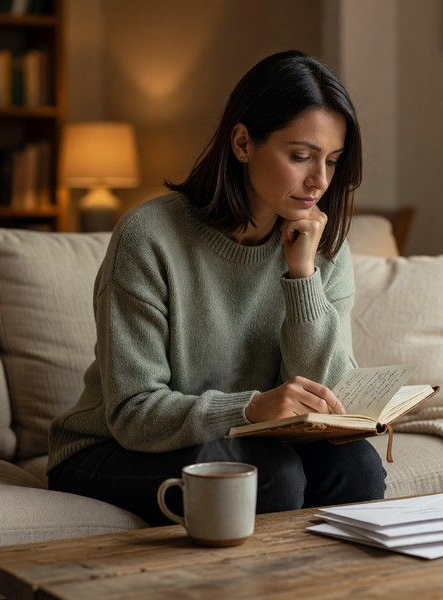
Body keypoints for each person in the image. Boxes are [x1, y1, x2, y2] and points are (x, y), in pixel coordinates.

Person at [47, 50, 387, 526]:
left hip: (252, 440)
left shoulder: (322, 243)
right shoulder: (149, 236)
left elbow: (328, 397)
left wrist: (303, 278)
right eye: (300, 156)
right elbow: (132, 413)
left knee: (357, 468)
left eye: (331, 160)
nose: (319, 181)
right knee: (267, 475)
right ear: (243, 143)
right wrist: (251, 408)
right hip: (107, 448)